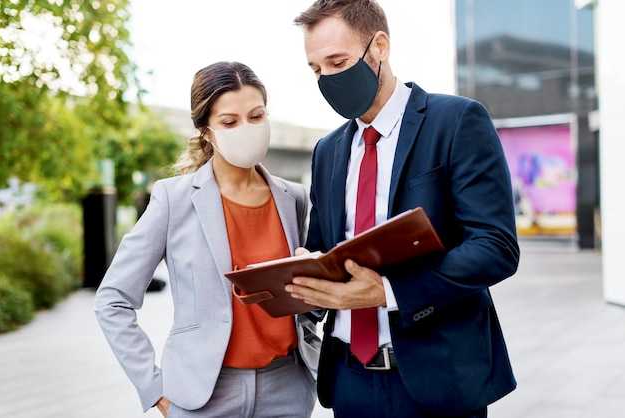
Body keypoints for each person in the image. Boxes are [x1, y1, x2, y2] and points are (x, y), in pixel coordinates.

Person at [284, 1, 520, 417]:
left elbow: (495, 245)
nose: (326, 79)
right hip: (350, 381)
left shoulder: (458, 121)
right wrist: (309, 278)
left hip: (438, 379)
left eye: (337, 62)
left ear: (379, 47)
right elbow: (324, 250)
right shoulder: (327, 152)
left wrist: (388, 292)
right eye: (316, 69)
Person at [94, 61, 320, 418]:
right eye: (230, 122)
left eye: (257, 116)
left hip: (287, 390)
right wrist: (154, 389)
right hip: (204, 396)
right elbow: (112, 300)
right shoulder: (174, 199)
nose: (247, 129)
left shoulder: (294, 198)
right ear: (206, 131)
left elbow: (309, 297)